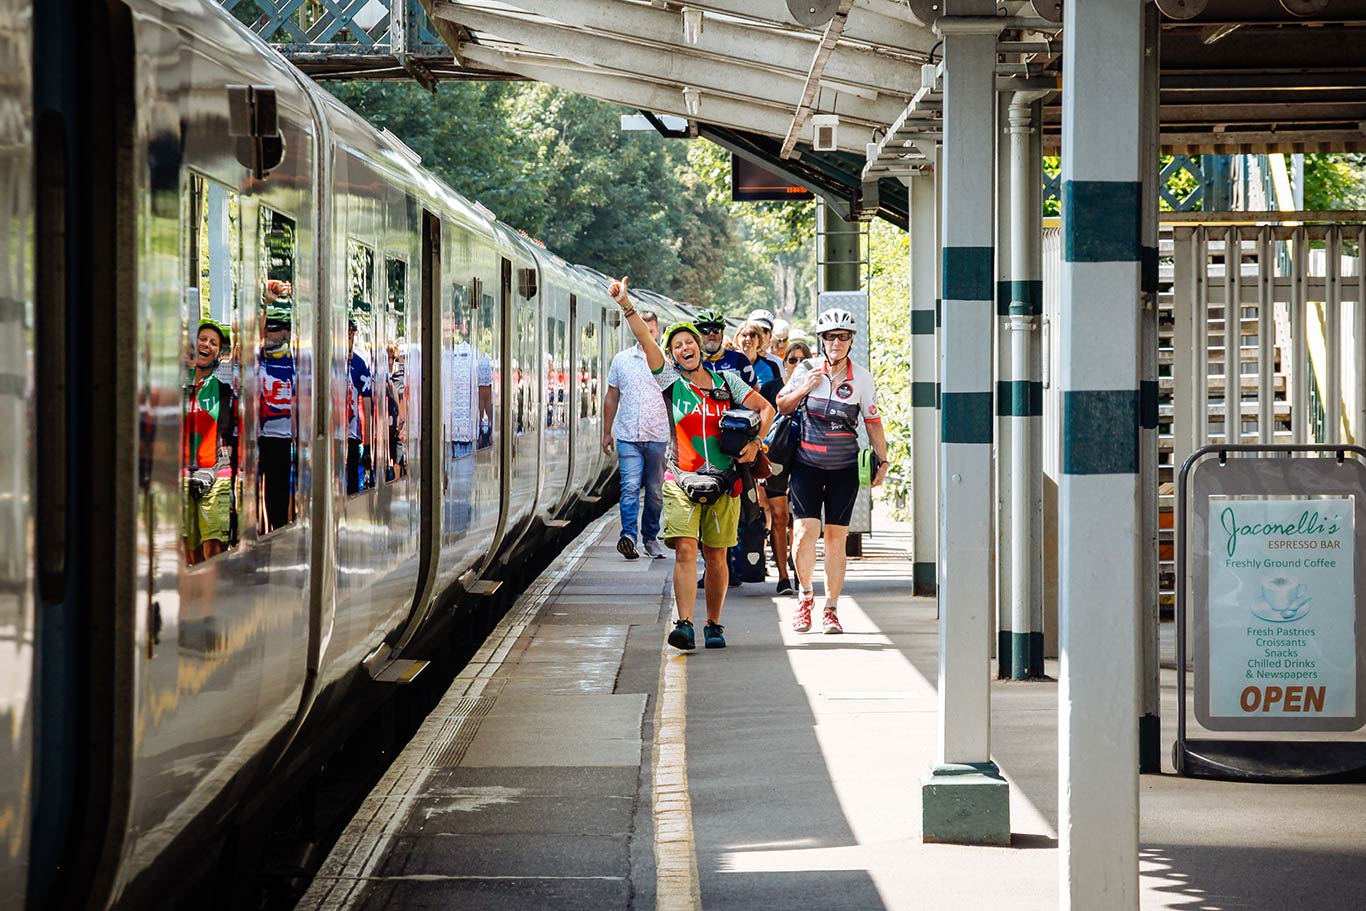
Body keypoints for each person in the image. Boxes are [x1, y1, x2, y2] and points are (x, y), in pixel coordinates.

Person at [609, 277, 774, 651]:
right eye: (677, 345)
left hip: (725, 481)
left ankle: (714, 624)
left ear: (701, 348)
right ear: (671, 355)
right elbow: (647, 340)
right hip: (680, 479)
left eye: (690, 343)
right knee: (685, 550)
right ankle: (684, 623)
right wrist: (626, 303)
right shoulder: (670, 382)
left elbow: (766, 409)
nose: (685, 348)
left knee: (716, 556)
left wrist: (755, 443)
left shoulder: (727, 381)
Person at [777, 308, 888, 634]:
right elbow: (782, 406)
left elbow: (873, 423)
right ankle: (806, 595)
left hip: (844, 469)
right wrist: (804, 387)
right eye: (830, 336)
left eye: (842, 336)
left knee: (836, 540)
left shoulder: (862, 378)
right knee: (803, 535)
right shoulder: (807, 369)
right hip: (806, 465)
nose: (836, 342)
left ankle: (831, 609)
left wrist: (883, 461)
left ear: (851, 340)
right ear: (822, 340)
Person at [603, 309, 670, 560]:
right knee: (630, 486)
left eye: (650, 330)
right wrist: (606, 432)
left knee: (654, 491)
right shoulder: (621, 360)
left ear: (657, 331)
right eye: (641, 329)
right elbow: (612, 396)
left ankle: (650, 538)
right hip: (628, 435)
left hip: (658, 437)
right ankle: (628, 536)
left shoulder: (667, 361)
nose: (645, 334)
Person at [734, 319, 793, 593]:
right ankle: (730, 563)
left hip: (765, 441)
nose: (747, 339)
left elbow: (773, 404)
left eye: (752, 336)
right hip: (733, 439)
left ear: (761, 341)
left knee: (765, 503)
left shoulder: (770, 367)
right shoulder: (730, 361)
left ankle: (758, 551)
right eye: (743, 335)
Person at [183, 318, 237, 564]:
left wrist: (212, 472)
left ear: (219, 353)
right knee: (187, 551)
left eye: (213, 343)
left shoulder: (223, 391)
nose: (206, 344)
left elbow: (226, 439)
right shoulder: (176, 387)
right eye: (202, 339)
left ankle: (214, 598)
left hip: (215, 476)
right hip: (181, 476)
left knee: (213, 551)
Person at [257, 285, 295, 532]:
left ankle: (282, 530)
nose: (270, 334)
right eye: (268, 328)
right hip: (264, 437)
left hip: (288, 439)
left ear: (287, 333)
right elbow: (254, 340)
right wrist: (266, 303)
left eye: (276, 329)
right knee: (265, 493)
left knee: (283, 493)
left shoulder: (296, 360)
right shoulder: (259, 358)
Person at [693, 307, 757, 389]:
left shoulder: (739, 359)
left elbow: (755, 388)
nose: (711, 334)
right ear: (697, 335)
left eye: (716, 330)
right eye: (705, 330)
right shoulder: (692, 362)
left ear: (722, 334)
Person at [346, 314, 375, 494]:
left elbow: (367, 404)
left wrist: (368, 445)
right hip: (334, 432)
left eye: (351, 333)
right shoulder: (330, 361)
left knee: (352, 484)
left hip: (352, 432)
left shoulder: (359, 363)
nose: (349, 336)